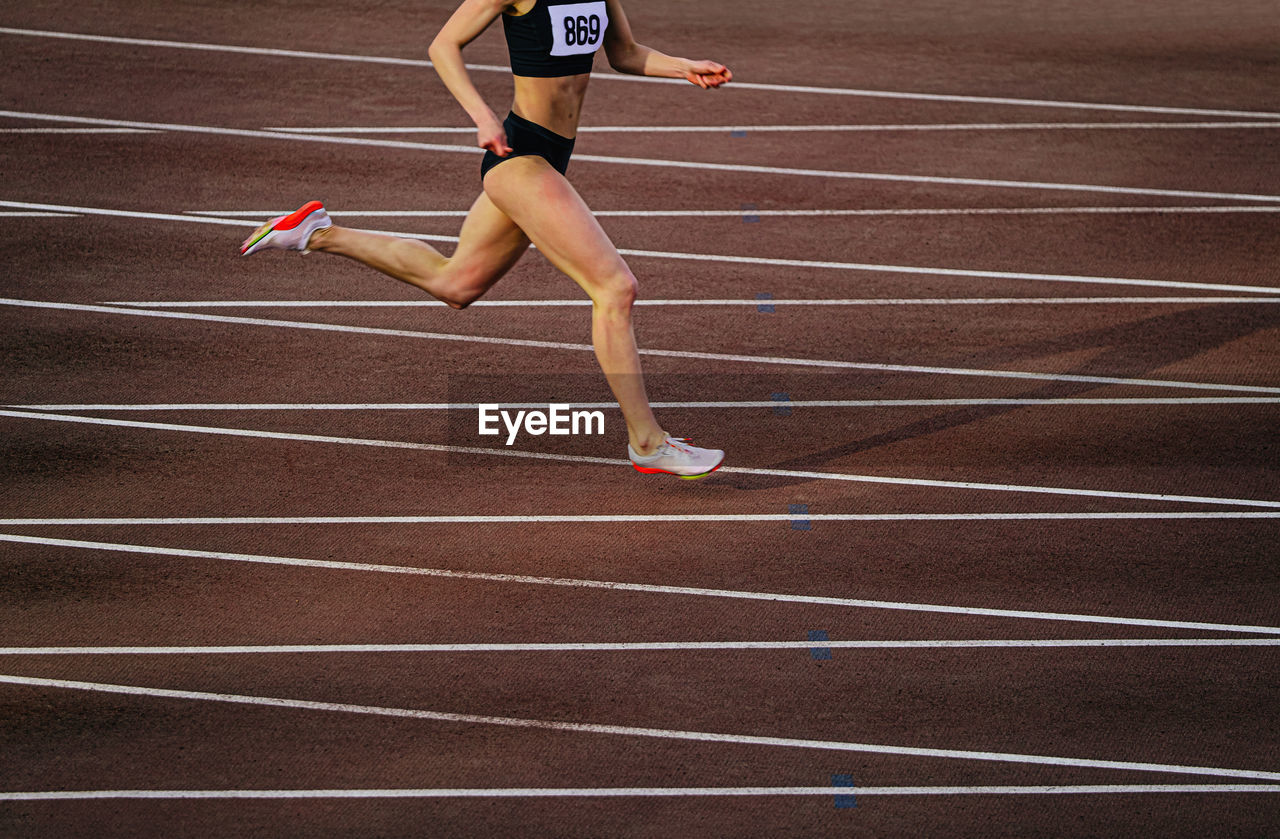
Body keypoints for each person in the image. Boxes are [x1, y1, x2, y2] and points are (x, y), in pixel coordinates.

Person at [241, 0, 731, 479]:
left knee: (455, 283)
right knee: (615, 288)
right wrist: (482, 117)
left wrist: (683, 67)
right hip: (518, 157)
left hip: (549, 156)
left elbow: (623, 52)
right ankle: (646, 442)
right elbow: (443, 45)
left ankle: (316, 232)